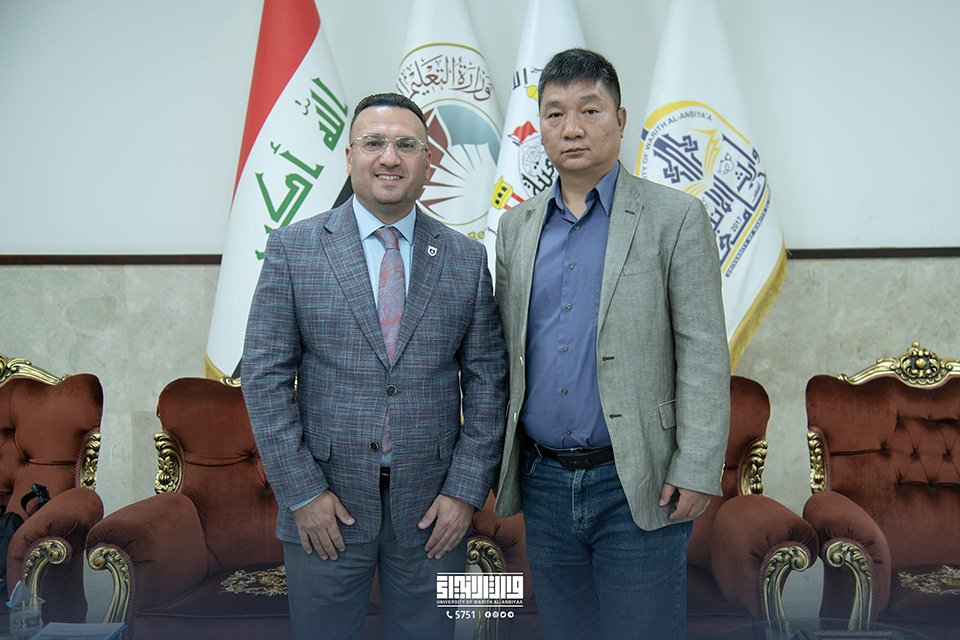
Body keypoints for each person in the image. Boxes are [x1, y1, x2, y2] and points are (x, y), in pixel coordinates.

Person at [242, 92, 508, 640]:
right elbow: (265, 379)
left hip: (435, 513)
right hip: (325, 508)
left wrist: (464, 492)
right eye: (374, 143)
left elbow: (488, 383)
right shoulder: (294, 249)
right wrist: (303, 494)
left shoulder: (465, 257)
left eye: (407, 144)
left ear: (428, 161)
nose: (390, 157)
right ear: (350, 157)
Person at [492, 49, 730, 639]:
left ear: (621, 120)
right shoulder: (517, 227)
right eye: (554, 114)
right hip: (544, 481)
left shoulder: (675, 217)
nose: (571, 128)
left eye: (589, 110)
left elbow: (703, 351)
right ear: (540, 128)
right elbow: (505, 352)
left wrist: (697, 466)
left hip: (638, 477)